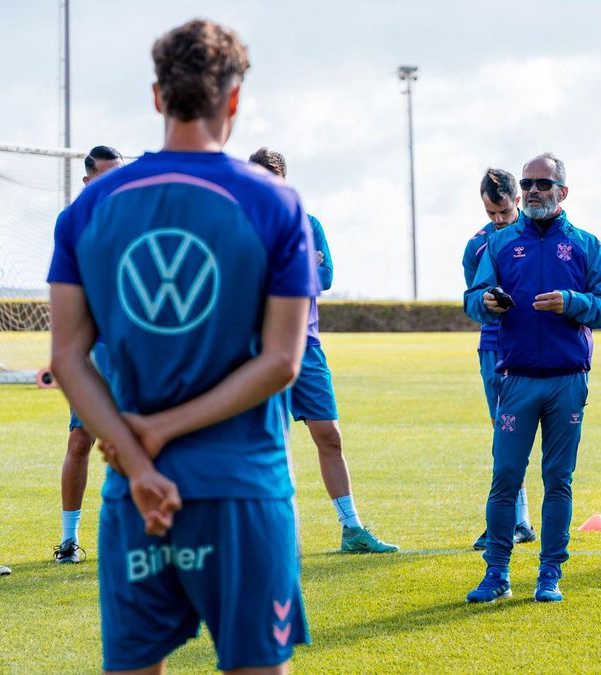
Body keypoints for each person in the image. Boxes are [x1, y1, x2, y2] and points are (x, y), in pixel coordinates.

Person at [47, 19, 312, 672]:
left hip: (137, 493)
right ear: (234, 100)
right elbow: (283, 361)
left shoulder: (87, 208)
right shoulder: (275, 202)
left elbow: (66, 359)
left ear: (157, 96)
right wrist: (164, 429)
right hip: (241, 487)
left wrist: (139, 462)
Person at [463, 153, 601, 603]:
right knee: (505, 478)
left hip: (567, 380)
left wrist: (572, 301)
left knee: (558, 479)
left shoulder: (588, 245)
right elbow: (473, 298)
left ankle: (549, 573)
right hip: (515, 379)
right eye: (527, 183)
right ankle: (496, 574)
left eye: (542, 184)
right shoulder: (500, 243)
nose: (532, 190)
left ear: (562, 192)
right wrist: (487, 301)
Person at [248, 147, 397, 554]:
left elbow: (326, 276)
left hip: (306, 345)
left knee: (329, 435)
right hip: (259, 348)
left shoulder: (309, 224)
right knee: (265, 442)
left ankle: (352, 529)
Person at [55, 145, 126, 565]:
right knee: (82, 440)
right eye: (106, 175)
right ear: (87, 181)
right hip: (93, 350)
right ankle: (69, 539)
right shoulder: (72, 221)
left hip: (137, 348)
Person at [462, 168, 535, 552]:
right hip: (493, 345)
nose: (499, 221)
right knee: (502, 432)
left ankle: (514, 520)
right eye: (491, 214)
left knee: (526, 431)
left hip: (531, 346)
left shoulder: (537, 235)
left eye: (504, 212)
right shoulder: (476, 246)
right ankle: (517, 519)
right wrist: (488, 303)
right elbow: (472, 302)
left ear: (517, 201)